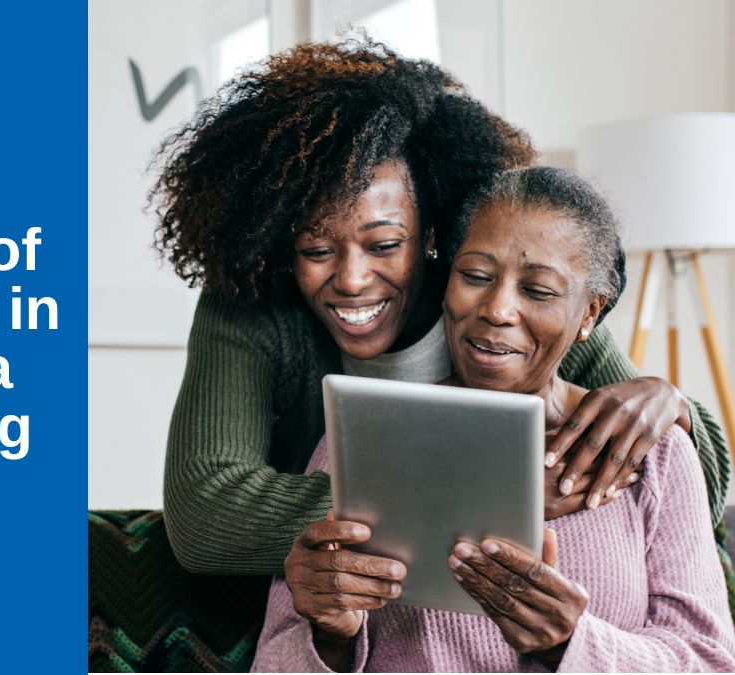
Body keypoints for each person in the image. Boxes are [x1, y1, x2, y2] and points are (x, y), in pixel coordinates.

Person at [151, 38, 731, 581]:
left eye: (385, 245)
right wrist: (490, 494)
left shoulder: (509, 302)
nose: (352, 279)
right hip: (329, 604)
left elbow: (696, 492)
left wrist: (671, 404)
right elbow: (206, 518)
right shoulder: (252, 301)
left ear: (432, 233)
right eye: (317, 250)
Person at [253, 167, 735, 672]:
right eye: (476, 277)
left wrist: (571, 644)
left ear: (590, 313)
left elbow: (709, 663)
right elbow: (272, 665)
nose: (497, 309)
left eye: (539, 290)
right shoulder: (364, 434)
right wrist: (329, 638)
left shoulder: (656, 454)